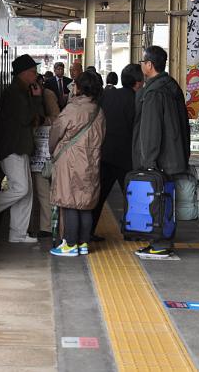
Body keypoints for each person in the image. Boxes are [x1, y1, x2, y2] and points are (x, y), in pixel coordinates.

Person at [132, 46, 190, 259]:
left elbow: (151, 129)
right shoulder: (171, 86)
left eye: (142, 62)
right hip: (173, 154)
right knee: (166, 198)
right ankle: (163, 241)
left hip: (160, 158)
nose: (141, 66)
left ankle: (160, 243)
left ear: (149, 65)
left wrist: (148, 160)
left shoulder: (154, 92)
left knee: (158, 200)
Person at [0, 54, 44, 243]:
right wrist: (36, 99)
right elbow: (27, 118)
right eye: (33, 72)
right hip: (12, 148)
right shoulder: (15, 93)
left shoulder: (20, 91)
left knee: (27, 192)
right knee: (22, 188)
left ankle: (18, 233)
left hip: (20, 147)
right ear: (23, 74)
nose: (36, 76)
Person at [48, 71, 106, 256]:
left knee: (70, 201)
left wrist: (53, 151)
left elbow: (56, 132)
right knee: (85, 202)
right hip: (92, 160)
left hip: (70, 161)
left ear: (79, 87)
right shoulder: (99, 111)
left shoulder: (73, 109)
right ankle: (83, 243)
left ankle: (70, 244)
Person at [91, 64, 144, 240]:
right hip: (126, 157)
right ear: (137, 83)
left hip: (104, 153)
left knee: (98, 197)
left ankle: (88, 231)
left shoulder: (107, 95)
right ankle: (133, 232)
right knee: (132, 196)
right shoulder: (138, 100)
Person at [30, 73, 60, 239]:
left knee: (41, 189)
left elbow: (57, 119)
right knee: (29, 191)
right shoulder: (24, 94)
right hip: (27, 146)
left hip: (41, 148)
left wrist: (42, 120)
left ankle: (45, 227)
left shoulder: (47, 95)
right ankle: (32, 226)